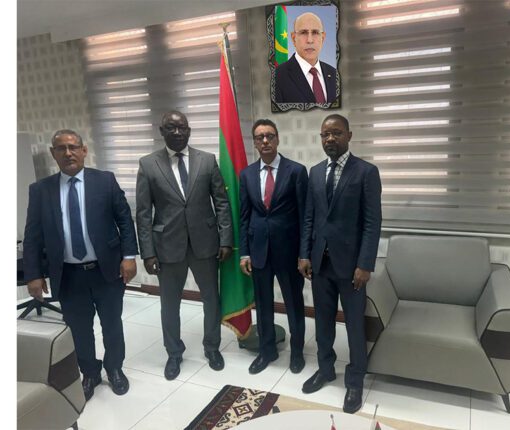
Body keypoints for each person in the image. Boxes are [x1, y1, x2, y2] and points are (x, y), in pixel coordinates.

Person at [23, 129, 138, 401]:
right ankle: (90, 373)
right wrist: (33, 274)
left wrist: (129, 256)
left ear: (84, 150)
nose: (68, 153)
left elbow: (124, 220)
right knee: (78, 329)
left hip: (106, 270)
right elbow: (32, 235)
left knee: (112, 324)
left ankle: (114, 368)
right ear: (53, 153)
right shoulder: (41, 190)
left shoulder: (105, 181)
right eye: (61, 148)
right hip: (68, 275)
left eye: (73, 147)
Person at [135, 110, 232, 380]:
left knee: (211, 299)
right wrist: (148, 253)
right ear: (161, 131)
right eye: (171, 128)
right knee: (169, 305)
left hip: (206, 244)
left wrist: (225, 239)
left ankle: (212, 347)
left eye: (182, 128)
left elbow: (221, 203)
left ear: (189, 131)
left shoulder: (207, 160)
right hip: (167, 246)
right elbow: (143, 213)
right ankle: (174, 353)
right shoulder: (148, 164)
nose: (177, 133)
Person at [298, 114, 382, 414]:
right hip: (320, 263)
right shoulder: (315, 172)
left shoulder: (366, 172)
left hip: (352, 267)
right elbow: (309, 217)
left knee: (355, 325)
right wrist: (304, 254)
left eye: (336, 133)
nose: (330, 139)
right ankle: (325, 369)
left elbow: (372, 222)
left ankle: (355, 380)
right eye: (325, 134)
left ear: (349, 135)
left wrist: (365, 264)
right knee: (322, 322)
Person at [238, 119, 308, 375]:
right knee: (263, 304)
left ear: (277, 139)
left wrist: (304, 254)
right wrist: (244, 252)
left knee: (294, 304)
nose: (265, 141)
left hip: (289, 251)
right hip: (258, 250)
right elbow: (244, 216)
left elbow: (305, 216)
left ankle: (297, 351)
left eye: (269, 135)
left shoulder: (296, 171)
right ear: (255, 143)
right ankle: (267, 350)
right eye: (260, 137)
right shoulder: (246, 174)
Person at [273, 11, 338, 104]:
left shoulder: (335, 74)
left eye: (315, 32)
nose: (310, 40)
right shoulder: (277, 77)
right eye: (303, 32)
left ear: (323, 38)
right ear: (293, 38)